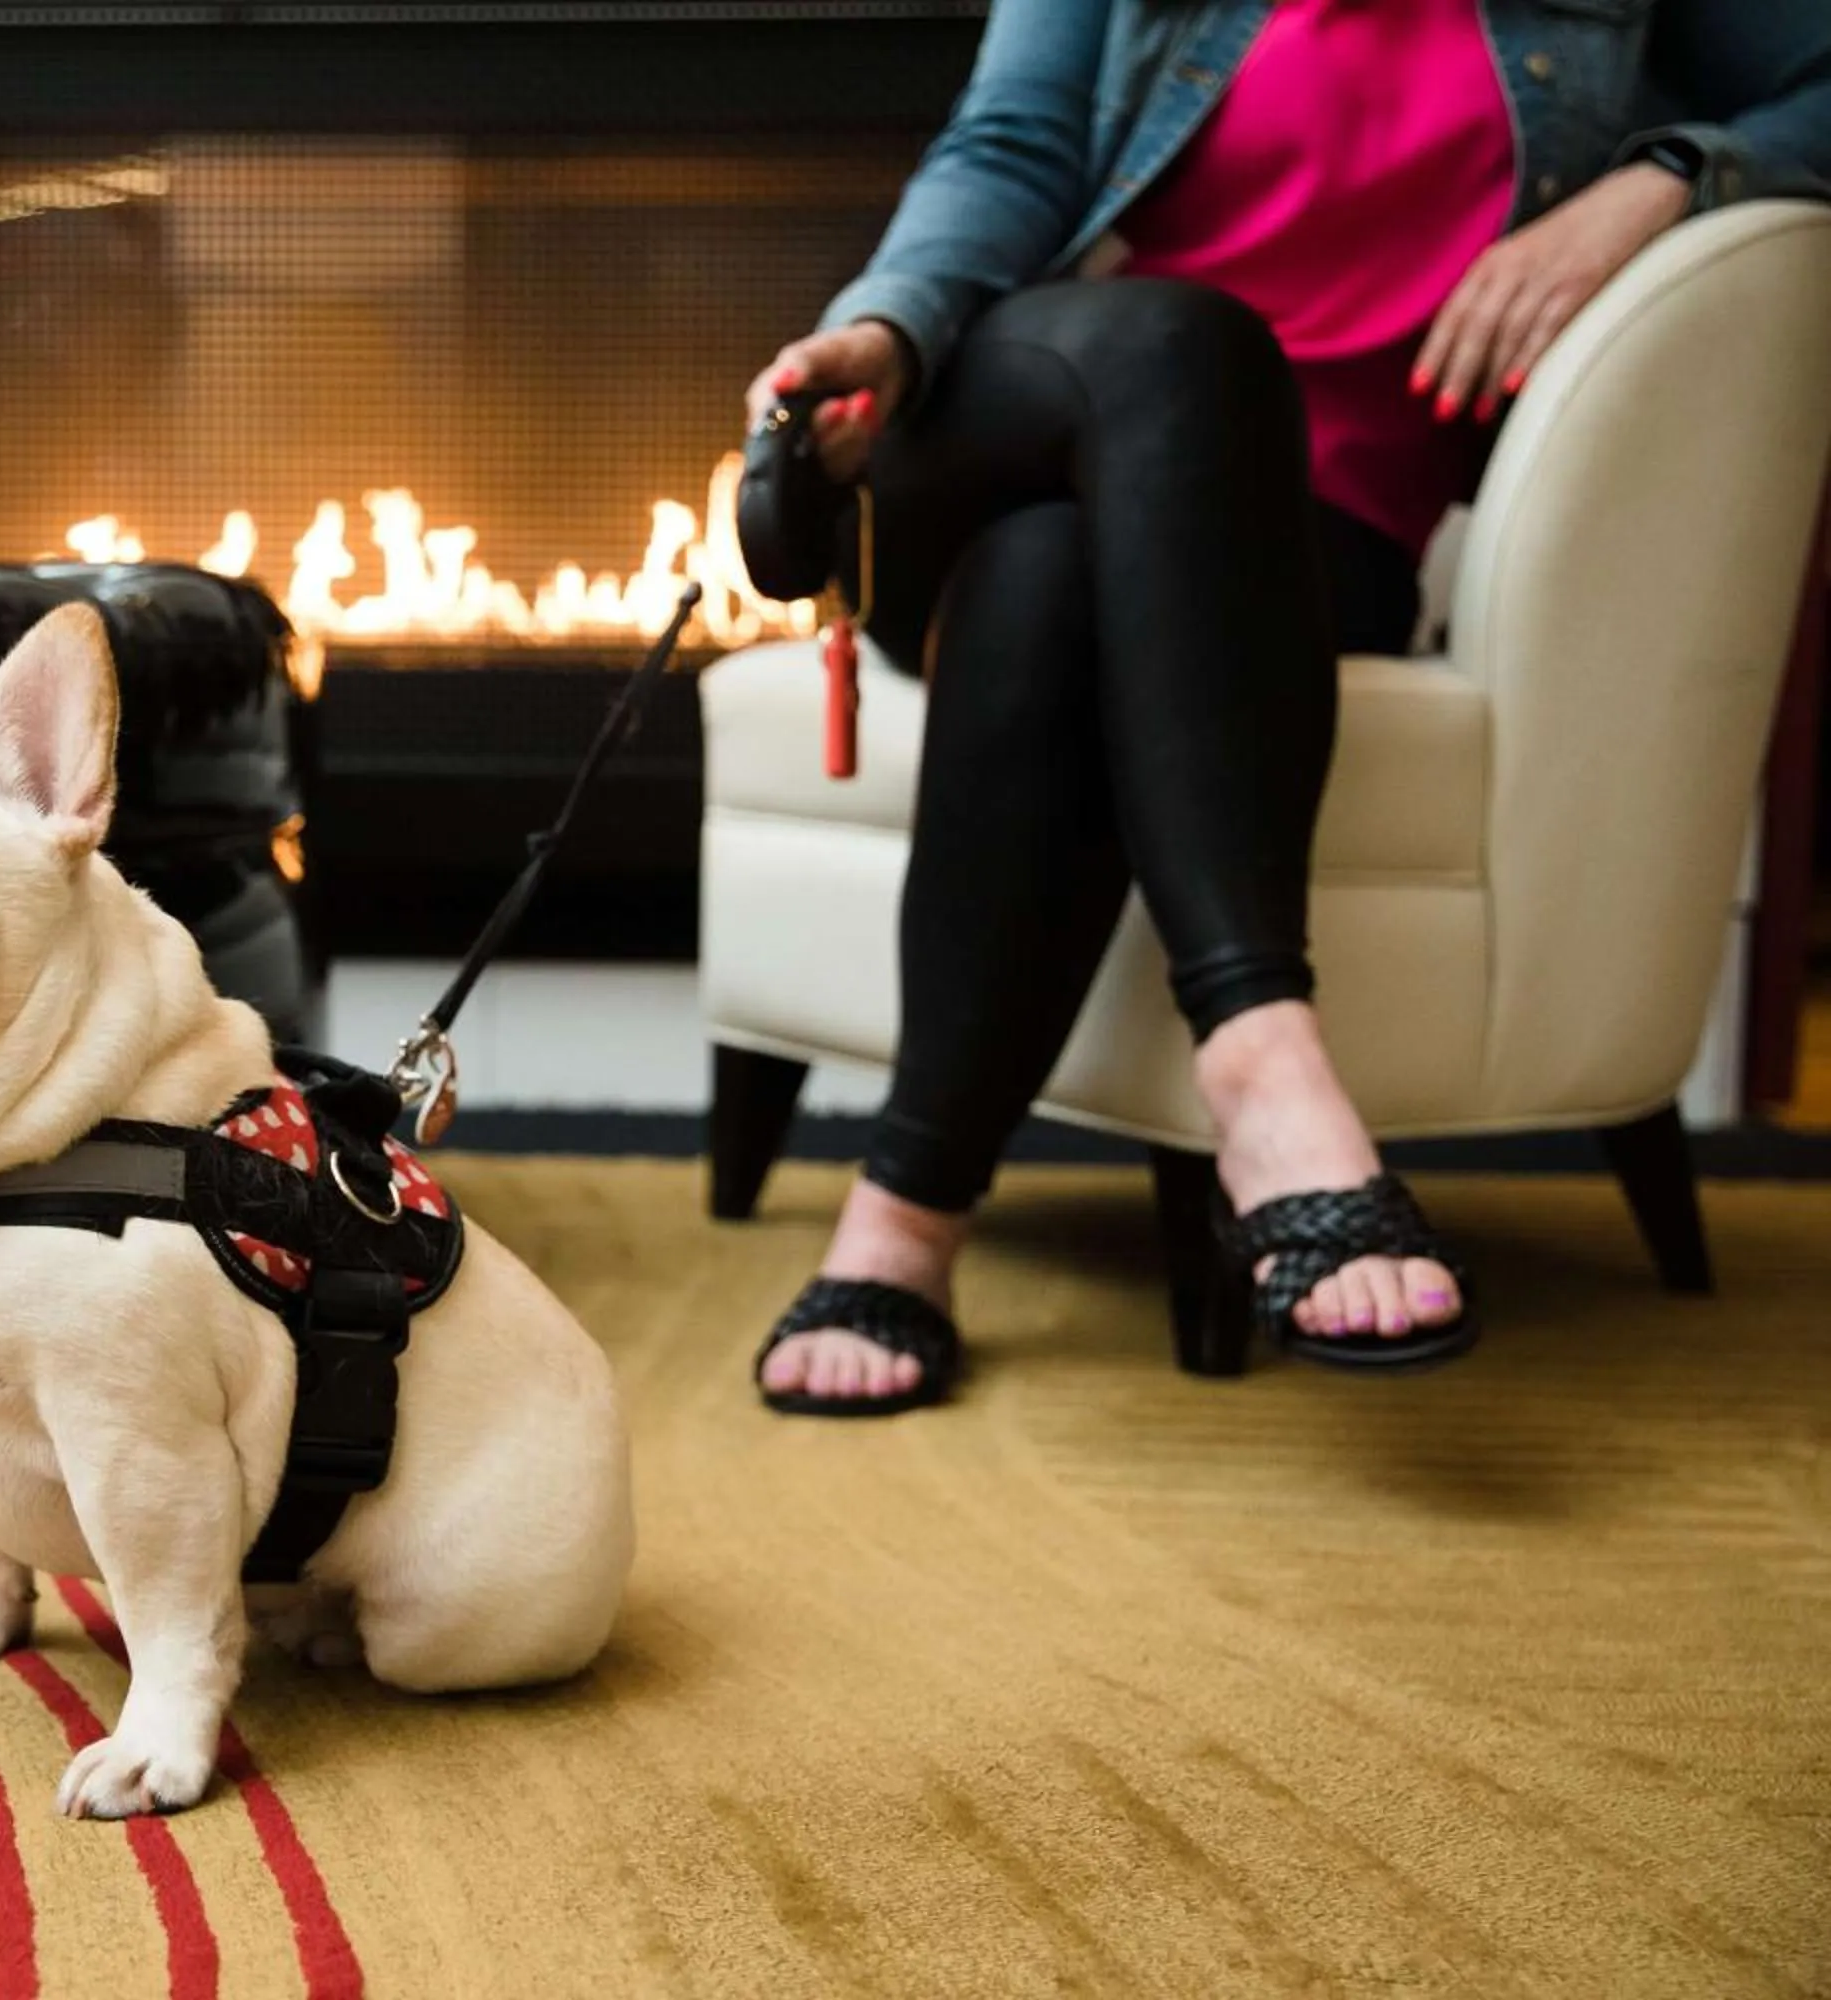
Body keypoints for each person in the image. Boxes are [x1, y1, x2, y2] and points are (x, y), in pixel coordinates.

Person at [745, 0, 1831, 1416]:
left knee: (1050, 582)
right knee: (1191, 348)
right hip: (1025, 415)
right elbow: (1013, 146)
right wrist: (885, 325)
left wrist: (1664, 176)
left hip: (1306, 550)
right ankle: (1262, 1050)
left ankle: (904, 1213)